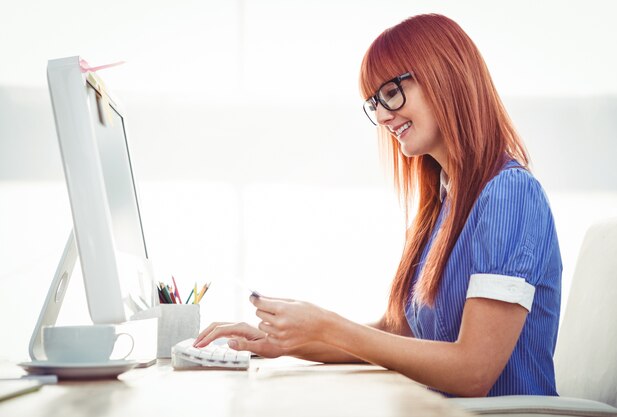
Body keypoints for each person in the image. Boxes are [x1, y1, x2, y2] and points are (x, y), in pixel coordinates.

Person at [194, 13, 562, 398]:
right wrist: (284, 341)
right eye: (375, 103)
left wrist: (328, 326)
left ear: (444, 75)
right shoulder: (443, 204)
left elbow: (473, 371)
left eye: (391, 92)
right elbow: (399, 333)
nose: (384, 115)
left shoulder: (509, 195)